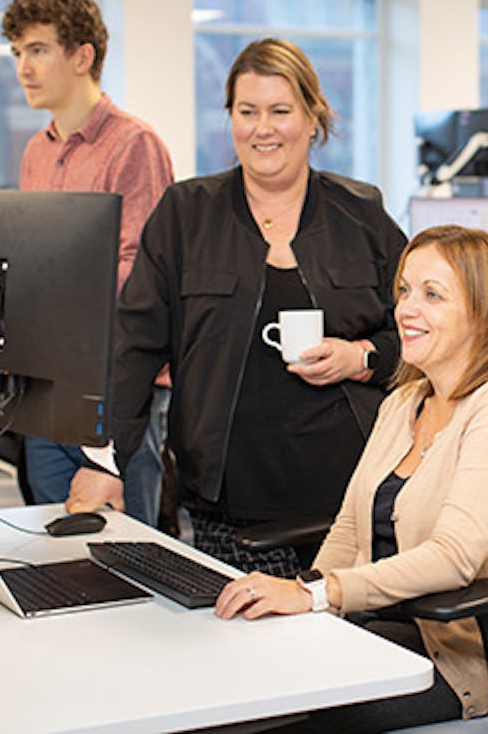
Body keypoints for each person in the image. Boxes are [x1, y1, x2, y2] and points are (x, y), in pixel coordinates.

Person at [72, 38, 406, 577]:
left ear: (312, 115)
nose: (262, 128)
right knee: (241, 653)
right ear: (230, 117)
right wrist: (104, 460)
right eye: (247, 112)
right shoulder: (185, 214)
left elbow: (420, 331)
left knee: (353, 654)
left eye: (280, 111)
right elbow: (134, 345)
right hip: (229, 507)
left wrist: (363, 356)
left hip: (350, 502)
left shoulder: (361, 214)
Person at [215, 225, 488, 732]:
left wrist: (321, 595)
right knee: (233, 681)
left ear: (486, 313)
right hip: (380, 628)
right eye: (404, 290)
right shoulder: (405, 401)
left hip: (462, 656)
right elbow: (351, 530)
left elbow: (454, 558)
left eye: (432, 294)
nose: (405, 309)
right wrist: (301, 595)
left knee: (279, 718)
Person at [1, 0, 174, 525]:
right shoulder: (38, 149)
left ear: (82, 56)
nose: (24, 68)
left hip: (119, 384)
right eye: (17, 54)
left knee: (124, 544)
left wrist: (42, 289)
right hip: (50, 379)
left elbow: (139, 277)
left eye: (37, 50)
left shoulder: (133, 145)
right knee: (50, 536)